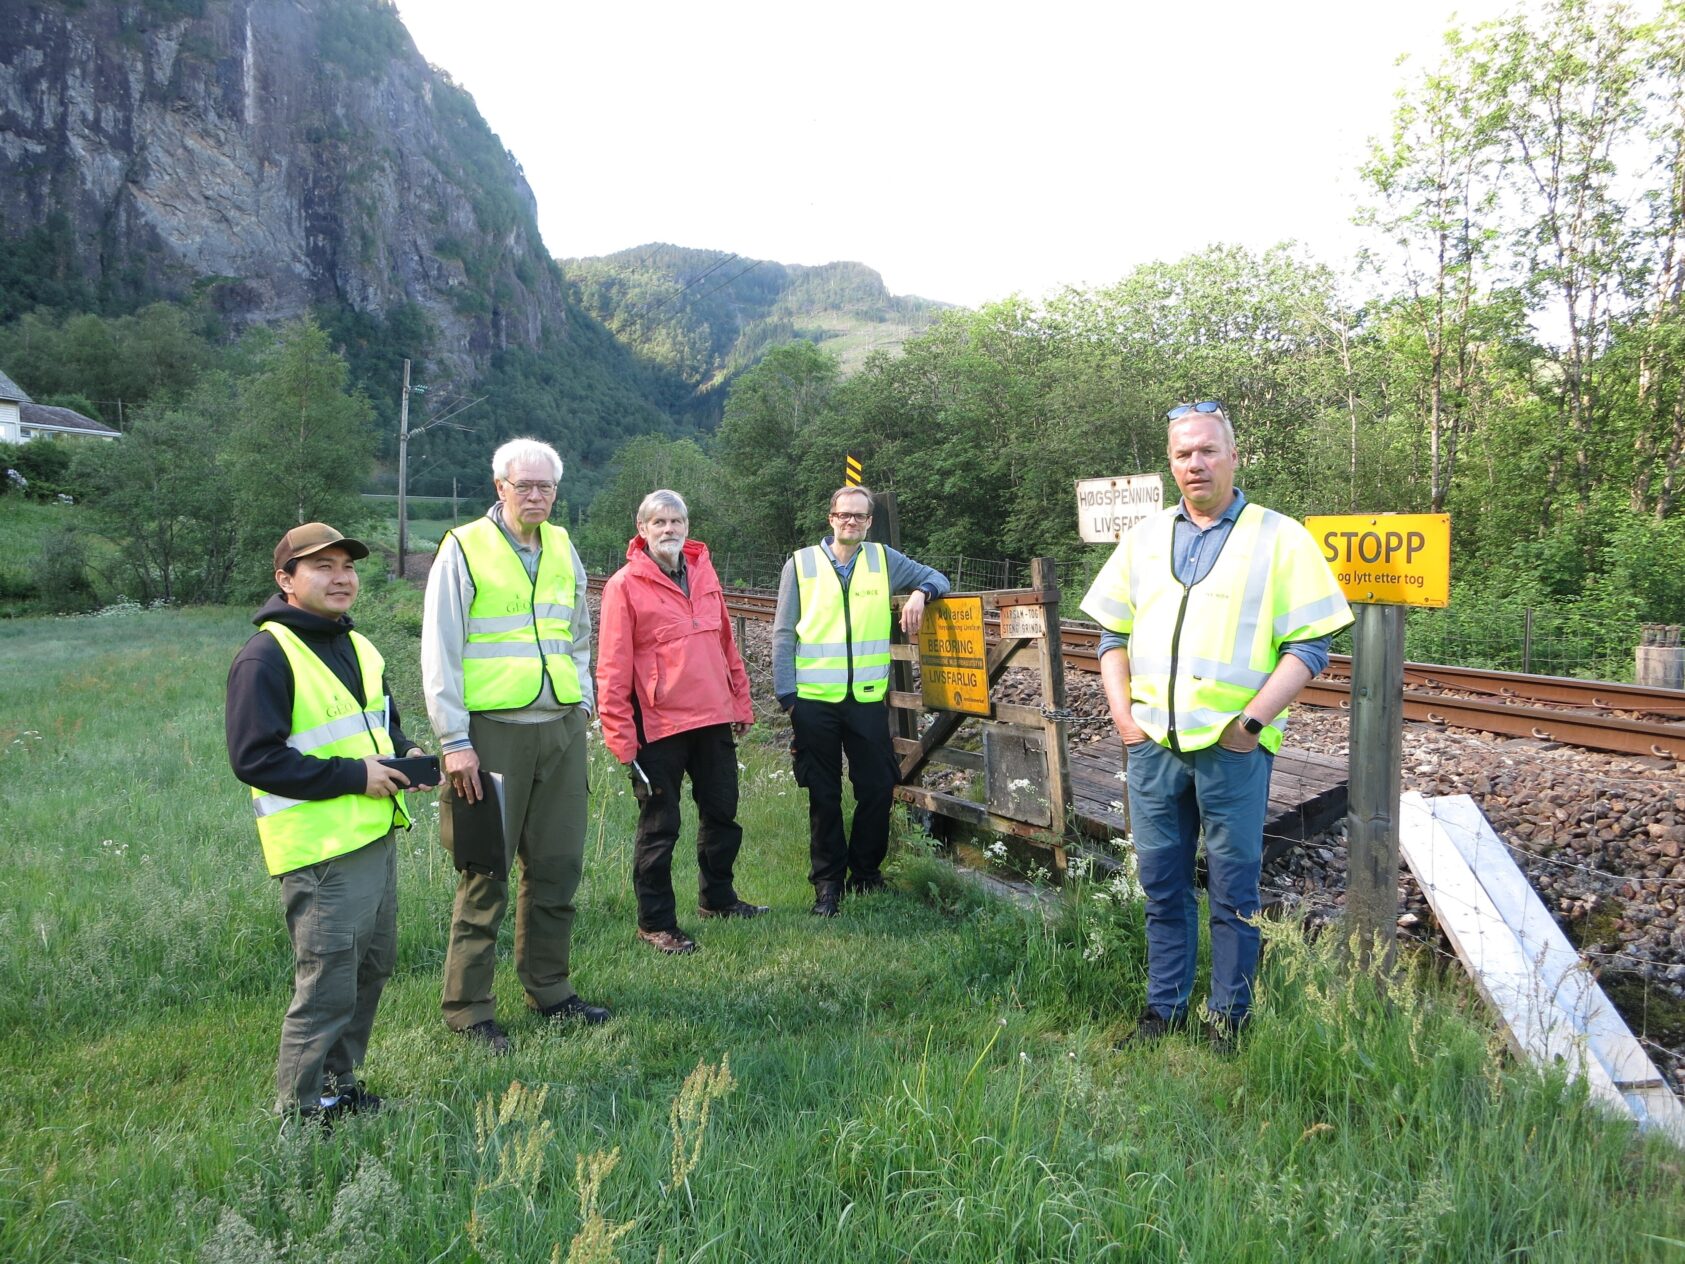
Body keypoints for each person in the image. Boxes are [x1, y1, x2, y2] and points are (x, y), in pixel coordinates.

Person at [1081, 401, 1352, 1048]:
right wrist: (1123, 719)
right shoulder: (1144, 538)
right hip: (1153, 748)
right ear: (1170, 462)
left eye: (1207, 450)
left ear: (1234, 456)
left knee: (1233, 890)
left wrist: (1250, 725)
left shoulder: (1278, 537)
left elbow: (1310, 646)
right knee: (1162, 886)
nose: (1194, 463)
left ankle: (1227, 1020)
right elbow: (1110, 634)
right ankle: (1163, 1010)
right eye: (1182, 453)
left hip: (1233, 752)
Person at [226, 522, 437, 1125]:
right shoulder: (266, 655)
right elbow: (254, 759)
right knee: (326, 983)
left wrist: (406, 755)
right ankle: (299, 1111)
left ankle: (338, 1086)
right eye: (321, 567)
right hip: (321, 850)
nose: (341, 576)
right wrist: (355, 776)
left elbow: (381, 725)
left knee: (370, 967)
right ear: (285, 580)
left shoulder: (359, 645)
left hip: (371, 834)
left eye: (347, 566)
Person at [422, 437, 608, 1055]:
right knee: (485, 872)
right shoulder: (463, 548)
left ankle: (550, 988)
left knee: (557, 868)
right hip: (490, 736)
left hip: (558, 730)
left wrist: (581, 700)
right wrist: (454, 740)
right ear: (498, 486)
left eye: (545, 486)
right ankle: (469, 1009)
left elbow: (579, 632)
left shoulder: (561, 546)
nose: (535, 495)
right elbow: (440, 651)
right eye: (523, 485)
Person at [596, 490, 764, 954]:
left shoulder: (705, 572)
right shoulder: (624, 585)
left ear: (687, 525)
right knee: (659, 827)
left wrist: (741, 701)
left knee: (722, 813)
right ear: (642, 527)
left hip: (713, 717)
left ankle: (719, 899)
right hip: (659, 726)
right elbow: (611, 667)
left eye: (677, 521)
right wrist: (620, 737)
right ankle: (656, 922)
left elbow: (726, 643)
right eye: (660, 522)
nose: (669, 529)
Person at [772, 485, 950, 916]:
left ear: (869, 522)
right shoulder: (800, 564)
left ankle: (866, 874)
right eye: (843, 514)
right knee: (824, 794)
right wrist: (788, 698)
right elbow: (782, 633)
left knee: (875, 787)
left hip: (867, 701)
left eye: (860, 516)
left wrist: (921, 594)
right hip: (813, 702)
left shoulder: (883, 559)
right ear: (830, 518)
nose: (851, 521)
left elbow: (939, 577)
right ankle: (828, 884)